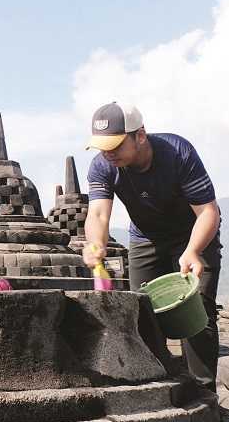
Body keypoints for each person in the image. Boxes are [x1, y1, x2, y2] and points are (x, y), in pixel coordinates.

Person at [82, 102, 221, 391]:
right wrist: (95, 244)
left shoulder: (177, 153)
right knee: (142, 312)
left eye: (116, 145)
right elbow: (97, 214)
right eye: (102, 146)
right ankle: (161, 386)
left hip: (192, 234)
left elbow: (208, 212)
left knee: (197, 315)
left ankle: (204, 393)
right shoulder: (102, 166)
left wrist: (193, 250)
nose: (108, 153)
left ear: (140, 136)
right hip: (146, 238)